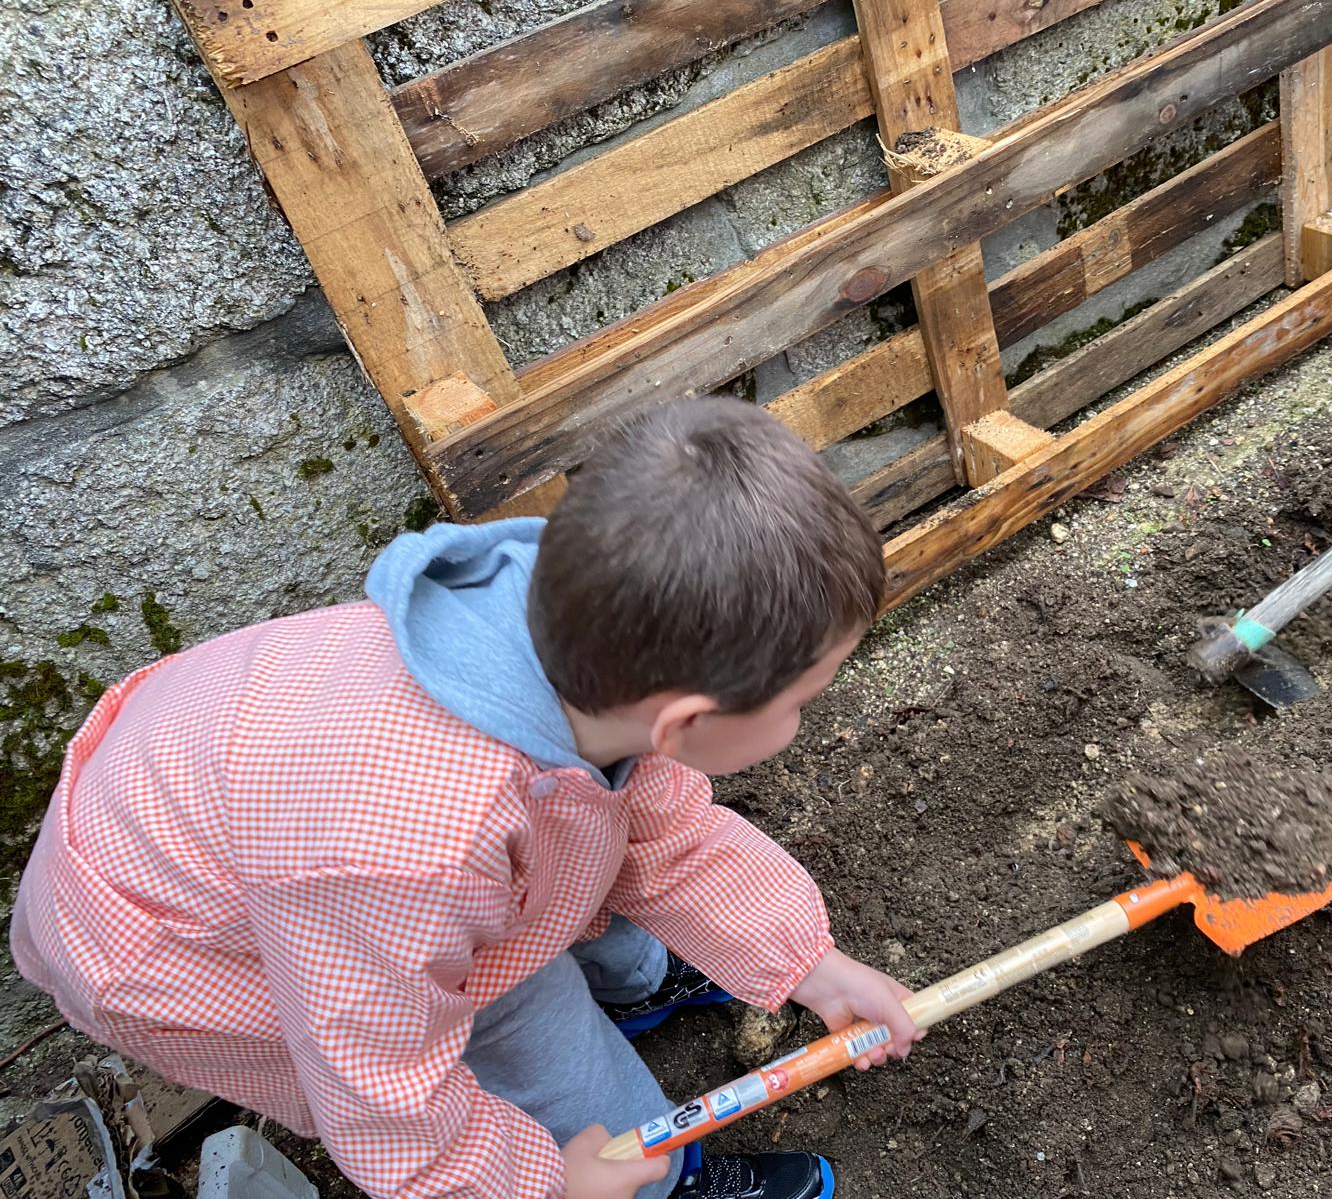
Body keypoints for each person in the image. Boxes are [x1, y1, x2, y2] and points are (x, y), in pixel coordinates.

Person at [11, 397, 920, 1199]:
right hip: (176, 944)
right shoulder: (418, 852)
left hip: (223, 813)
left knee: (590, 833)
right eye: (802, 701)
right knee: (512, 1021)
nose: (807, 714)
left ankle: (638, 981)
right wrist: (549, 1181)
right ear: (683, 720)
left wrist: (805, 961)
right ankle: (655, 1180)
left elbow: (655, 818)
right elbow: (382, 1081)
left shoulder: (575, 628)